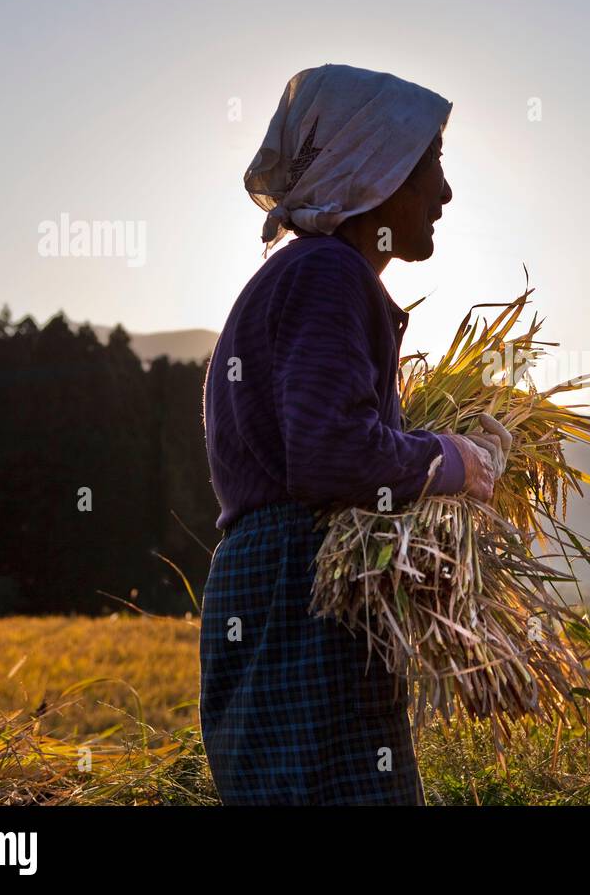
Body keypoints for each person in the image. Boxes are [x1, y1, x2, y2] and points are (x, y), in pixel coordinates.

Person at [198, 64, 511, 805]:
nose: (444, 192)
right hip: (298, 596)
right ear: (376, 169)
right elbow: (332, 456)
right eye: (430, 163)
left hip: (278, 591)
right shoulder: (328, 273)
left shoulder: (302, 274)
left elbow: (323, 436)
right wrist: (452, 461)